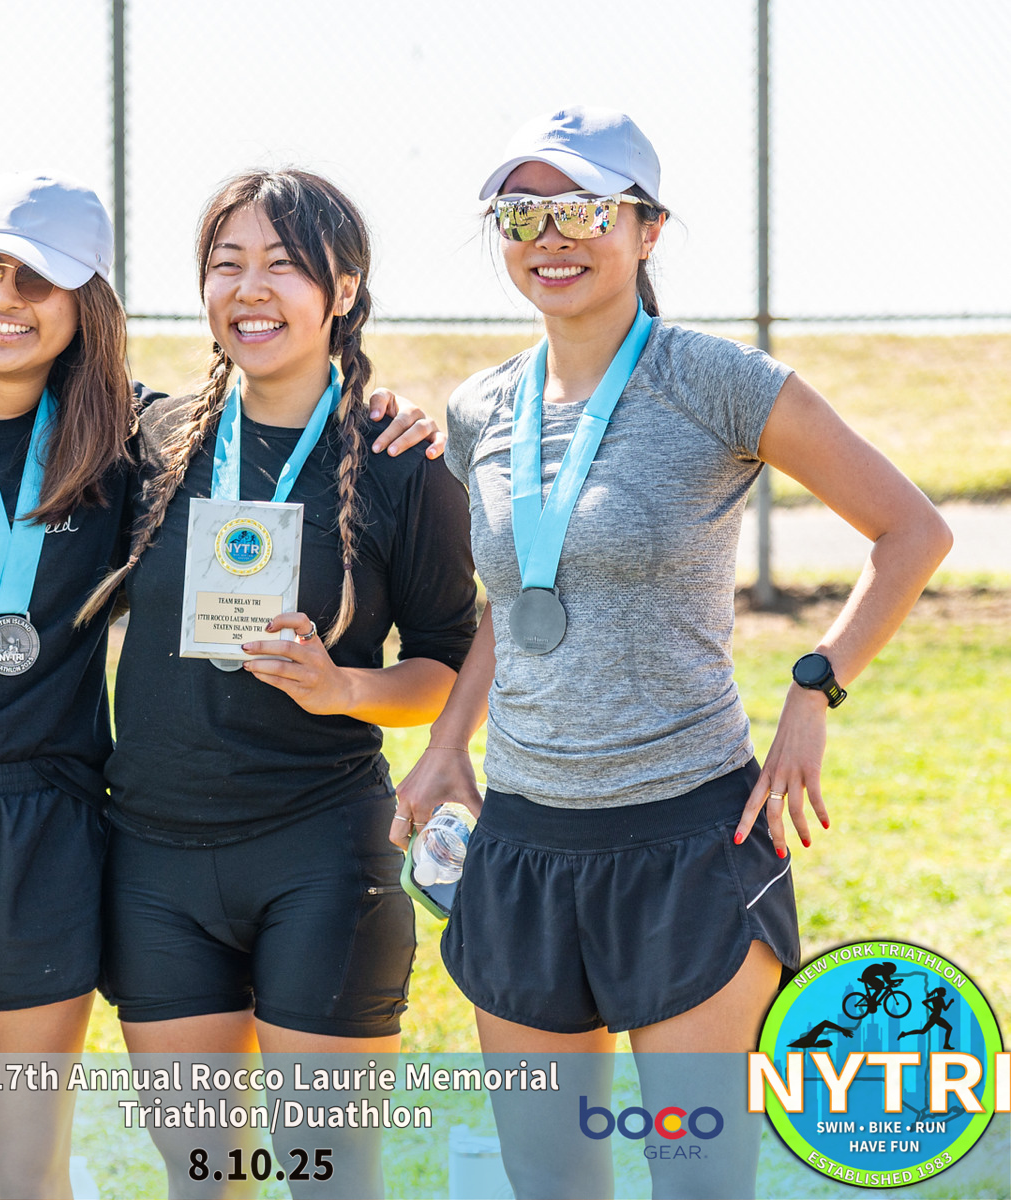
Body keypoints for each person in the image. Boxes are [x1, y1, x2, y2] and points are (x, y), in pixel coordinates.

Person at [0, 169, 437, 1200]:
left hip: (48, 834)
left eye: (39, 280)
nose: (4, 298)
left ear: (85, 302)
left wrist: (381, 409)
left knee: (26, 1172)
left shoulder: (124, 442)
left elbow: (283, 418)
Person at [395, 106, 953, 1200]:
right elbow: (519, 595)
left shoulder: (716, 382)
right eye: (521, 213)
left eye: (582, 210)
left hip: (689, 844)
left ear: (646, 229)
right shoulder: (482, 408)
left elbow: (912, 533)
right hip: (524, 845)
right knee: (550, 1181)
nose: (549, 237)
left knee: (697, 1177)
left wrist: (816, 688)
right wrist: (450, 743)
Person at [79, 169, 478, 1198]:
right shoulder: (151, 441)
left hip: (320, 852)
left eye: (284, 265)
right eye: (228, 264)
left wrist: (345, 690)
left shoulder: (401, 462)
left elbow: (444, 664)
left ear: (342, 289)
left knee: (328, 1175)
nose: (250, 289)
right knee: (202, 1177)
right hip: (155, 862)